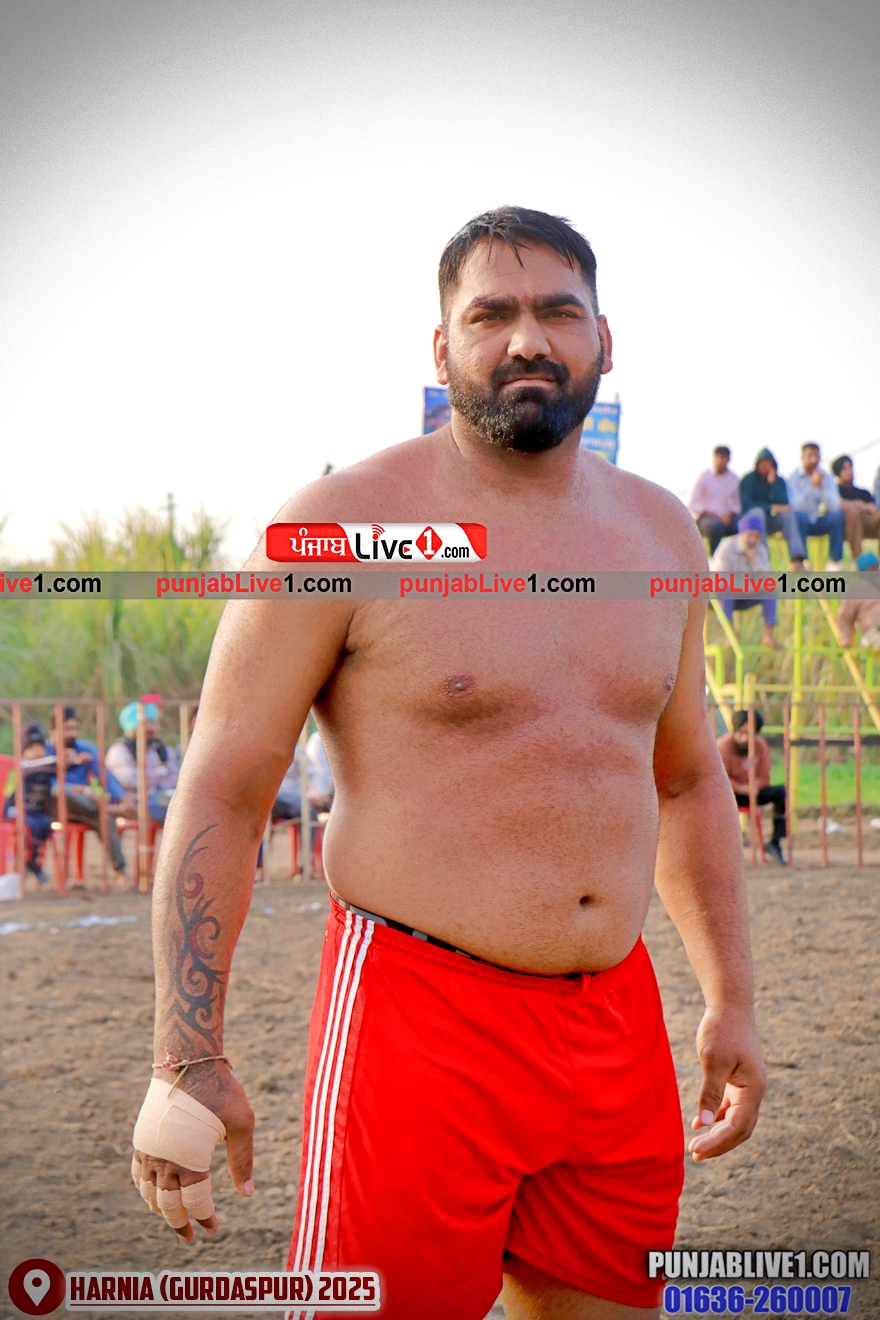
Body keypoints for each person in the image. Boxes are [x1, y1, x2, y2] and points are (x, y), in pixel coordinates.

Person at [131, 206, 765, 1319]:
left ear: (604, 339)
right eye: (491, 315)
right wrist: (185, 1055)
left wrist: (730, 1000)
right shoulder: (343, 527)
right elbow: (224, 791)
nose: (528, 340)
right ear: (441, 347)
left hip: (615, 1019)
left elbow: (683, 778)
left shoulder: (660, 534)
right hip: (417, 1023)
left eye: (558, 312)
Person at [46, 706, 130, 885]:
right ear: (53, 731)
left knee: (104, 818)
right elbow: (48, 786)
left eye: (75, 728)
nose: (73, 734)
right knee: (59, 792)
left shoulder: (85, 749)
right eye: (67, 729)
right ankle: (107, 808)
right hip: (53, 809)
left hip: (83, 809)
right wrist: (84, 790)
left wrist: (122, 797)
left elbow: (104, 776)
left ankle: (120, 871)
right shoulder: (44, 752)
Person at [716, 711, 787, 866]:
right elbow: (720, 779)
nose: (744, 738)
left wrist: (755, 786)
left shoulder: (760, 746)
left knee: (780, 792)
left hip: (753, 792)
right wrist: (741, 788)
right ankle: (719, 850)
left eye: (749, 734)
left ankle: (775, 842)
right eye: (741, 733)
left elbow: (764, 776)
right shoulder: (723, 745)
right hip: (730, 794)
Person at [710, 513, 781, 650]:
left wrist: (755, 561)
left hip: (745, 594)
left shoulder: (760, 550)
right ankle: (730, 636)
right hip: (720, 596)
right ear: (742, 534)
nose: (753, 540)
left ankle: (769, 636)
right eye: (750, 535)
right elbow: (718, 578)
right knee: (724, 587)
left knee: (770, 589)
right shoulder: (727, 547)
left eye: (756, 536)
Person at [106, 702, 176, 824]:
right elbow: (128, 780)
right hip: (136, 802)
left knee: (186, 804)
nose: (151, 728)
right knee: (175, 811)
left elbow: (175, 776)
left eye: (152, 723)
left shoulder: (159, 749)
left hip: (162, 796)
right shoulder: (119, 750)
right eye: (146, 723)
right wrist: (159, 773)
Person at [2, 726, 55, 884]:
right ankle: (31, 863)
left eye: (40, 747)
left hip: (40, 813)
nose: (37, 751)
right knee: (30, 827)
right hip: (21, 812)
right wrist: (10, 810)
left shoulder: (48, 767)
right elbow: (11, 794)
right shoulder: (19, 769)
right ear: (24, 751)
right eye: (32, 748)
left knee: (45, 825)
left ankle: (30, 862)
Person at [738, 448, 807, 567]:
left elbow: (784, 504)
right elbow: (746, 504)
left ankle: (797, 560)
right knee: (758, 512)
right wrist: (771, 507)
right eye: (762, 462)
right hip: (752, 524)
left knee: (788, 516)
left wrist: (773, 484)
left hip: (772, 522)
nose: (765, 465)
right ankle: (763, 559)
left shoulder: (779, 481)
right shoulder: (748, 479)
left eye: (768, 462)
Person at [786, 442, 845, 567]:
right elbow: (794, 506)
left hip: (818, 520)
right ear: (802, 458)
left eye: (816, 456)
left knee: (837, 516)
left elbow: (835, 506)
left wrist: (822, 489)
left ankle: (834, 562)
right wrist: (811, 487)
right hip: (801, 521)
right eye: (810, 456)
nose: (813, 460)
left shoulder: (825, 477)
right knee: (798, 516)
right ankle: (803, 561)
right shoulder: (793, 478)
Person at [688, 446, 741, 554]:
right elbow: (692, 503)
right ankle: (713, 559)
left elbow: (737, 503)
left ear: (728, 460)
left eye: (723, 458)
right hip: (706, 517)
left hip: (726, 516)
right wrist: (711, 514)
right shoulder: (704, 476)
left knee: (739, 526)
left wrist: (729, 514)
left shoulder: (733, 478)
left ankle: (734, 559)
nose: (720, 461)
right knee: (715, 527)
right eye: (718, 457)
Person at [831, 455, 880, 561]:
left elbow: (873, 508)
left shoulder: (863, 492)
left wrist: (857, 506)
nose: (849, 472)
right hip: (845, 524)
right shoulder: (834, 490)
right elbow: (838, 504)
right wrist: (860, 505)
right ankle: (858, 559)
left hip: (868, 522)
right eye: (845, 469)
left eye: (850, 468)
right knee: (853, 513)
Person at [836, 551, 880, 650]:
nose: (876, 571)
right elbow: (844, 618)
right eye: (872, 569)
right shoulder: (854, 592)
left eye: (877, 568)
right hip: (873, 633)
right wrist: (845, 642)